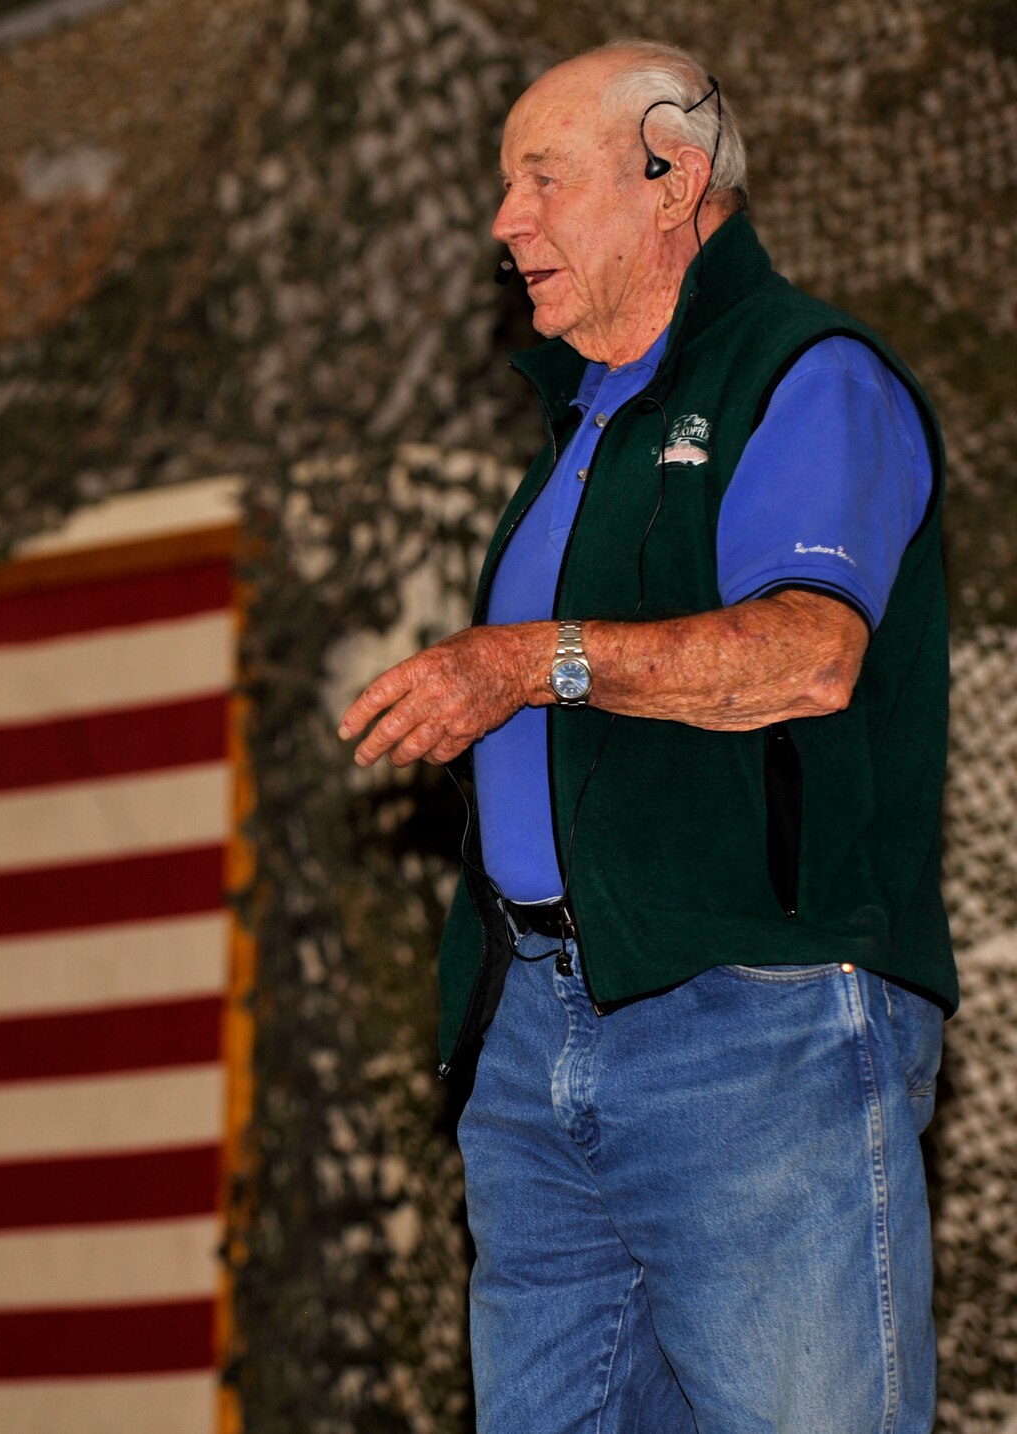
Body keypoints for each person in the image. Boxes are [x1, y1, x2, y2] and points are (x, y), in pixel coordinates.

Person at [334, 38, 953, 1432]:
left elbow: (807, 654)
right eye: (507, 188)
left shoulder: (805, 374)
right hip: (533, 1038)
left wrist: (526, 661)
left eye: (541, 179)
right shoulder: (582, 425)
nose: (506, 222)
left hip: (756, 1023)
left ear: (670, 177)